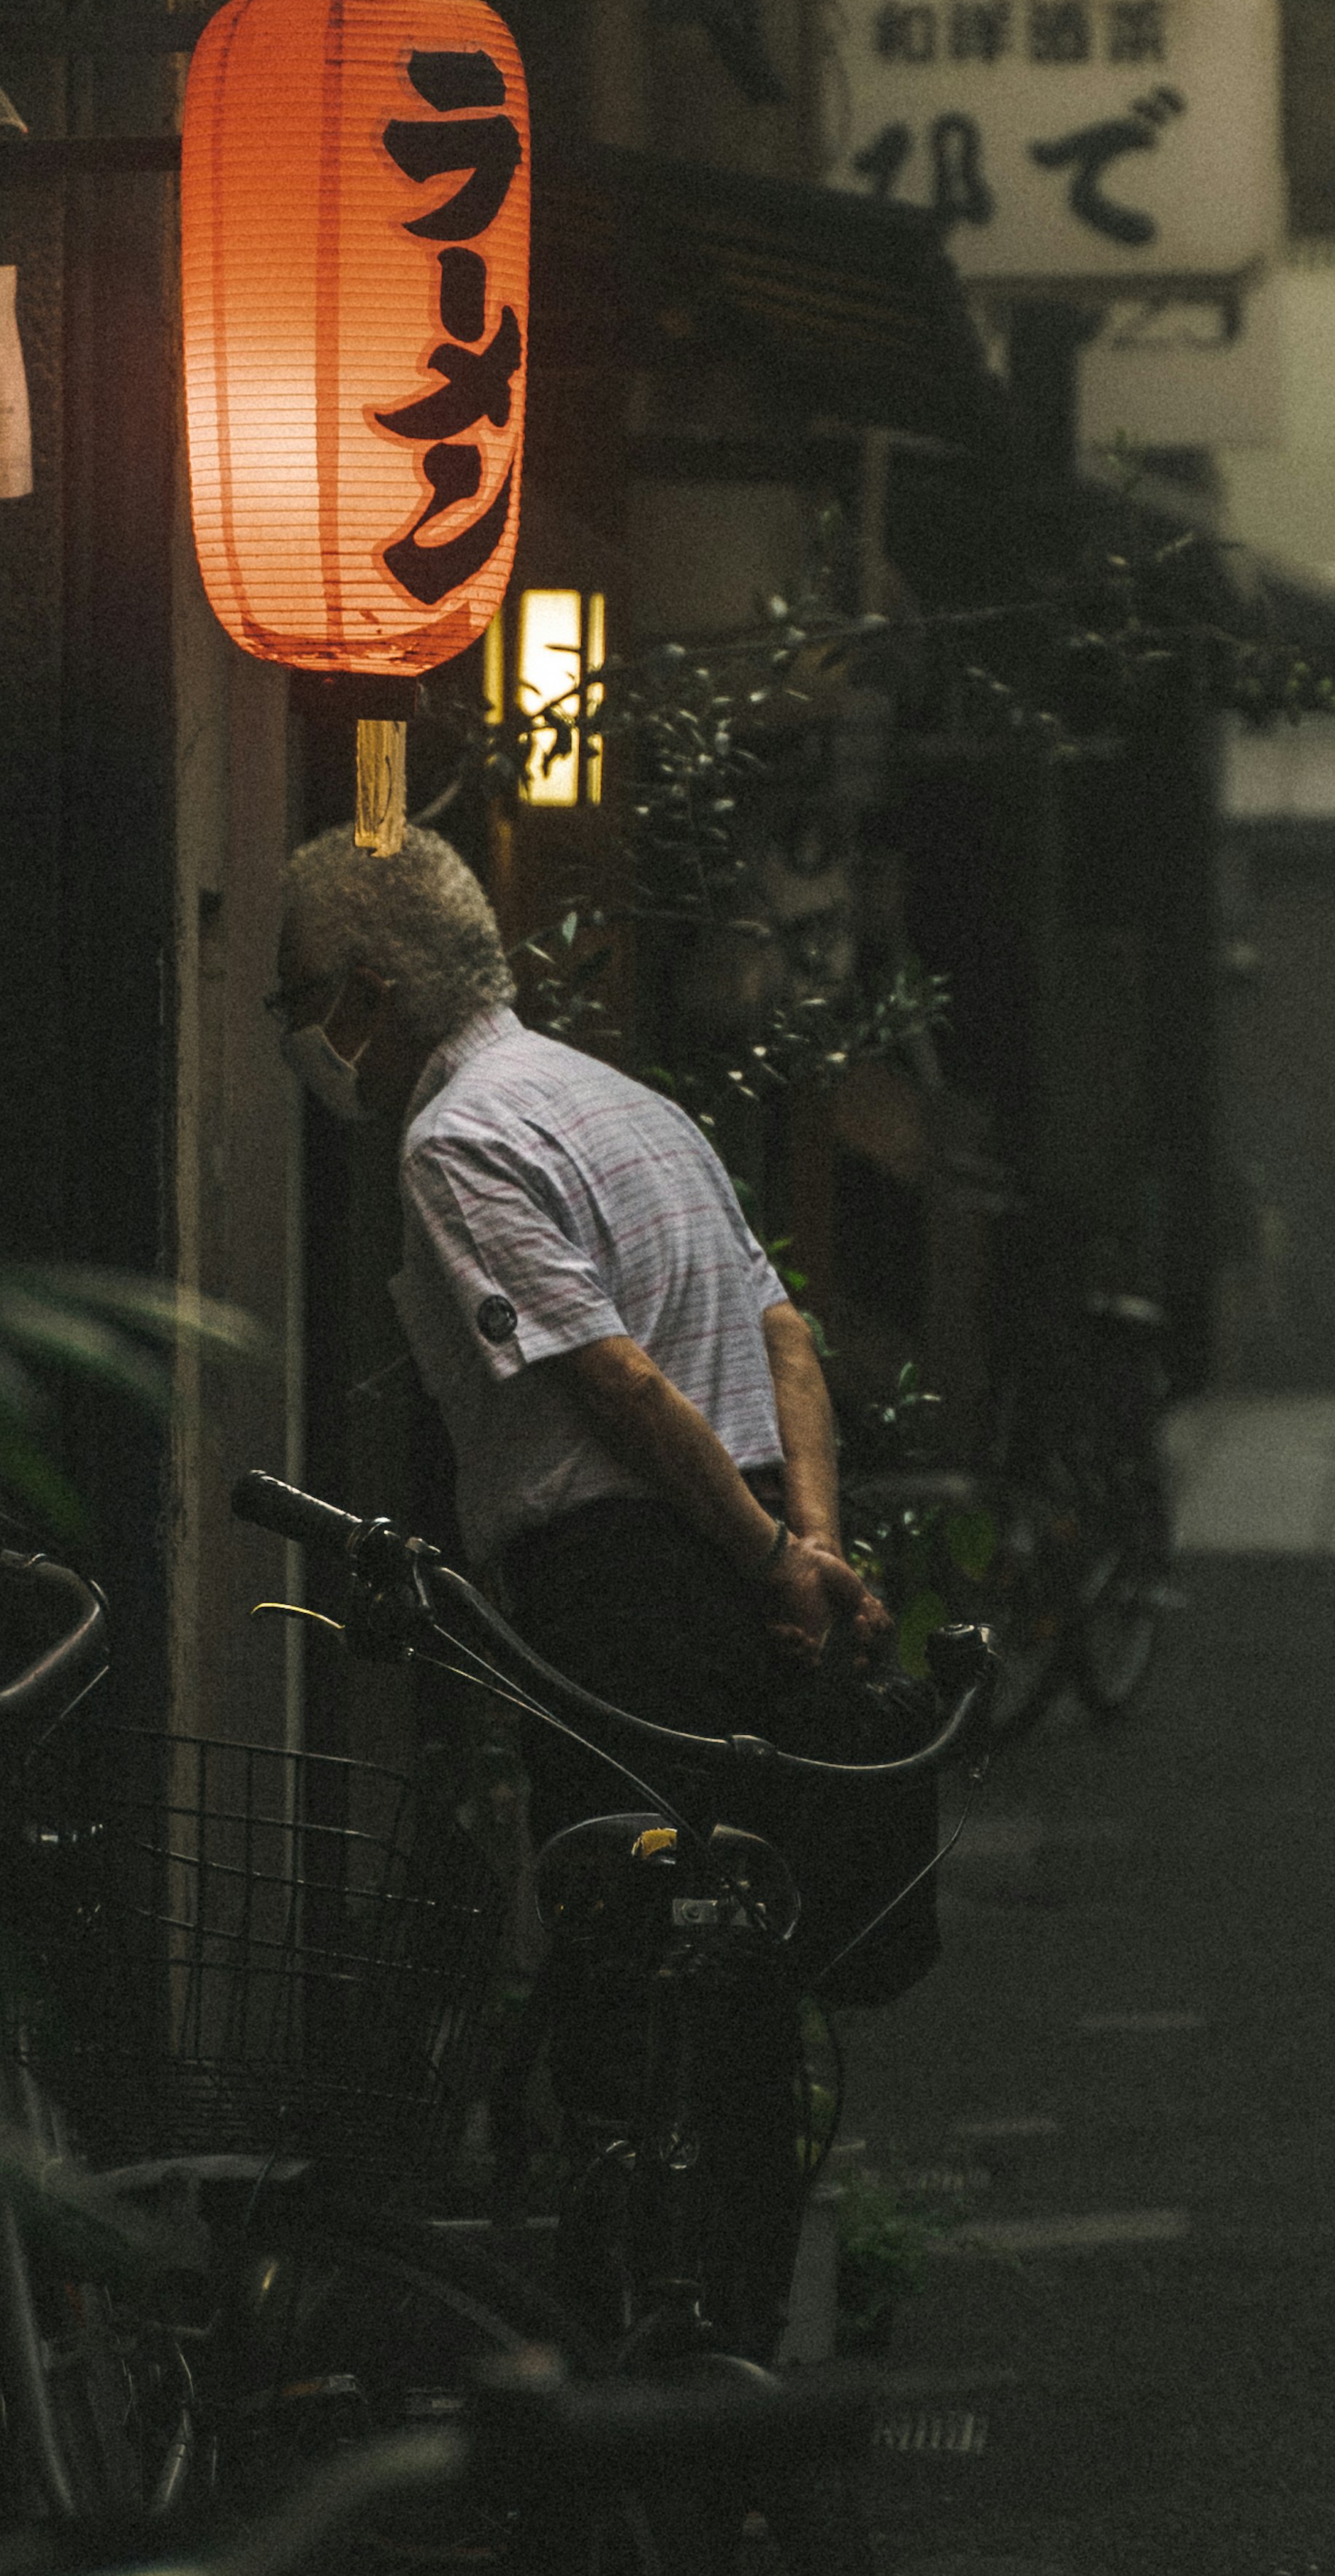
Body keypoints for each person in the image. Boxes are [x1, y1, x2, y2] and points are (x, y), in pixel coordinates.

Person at [272, 821, 901, 2355]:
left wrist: (763, 1561)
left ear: (370, 986)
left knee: (630, 1956)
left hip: (625, 1587)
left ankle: (646, 2345)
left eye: (295, 997)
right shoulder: (627, 1100)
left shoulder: (457, 1135)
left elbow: (613, 1381)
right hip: (747, 1559)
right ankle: (741, 2335)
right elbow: (786, 1334)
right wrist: (805, 1549)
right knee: (733, 1961)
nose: (293, 1035)